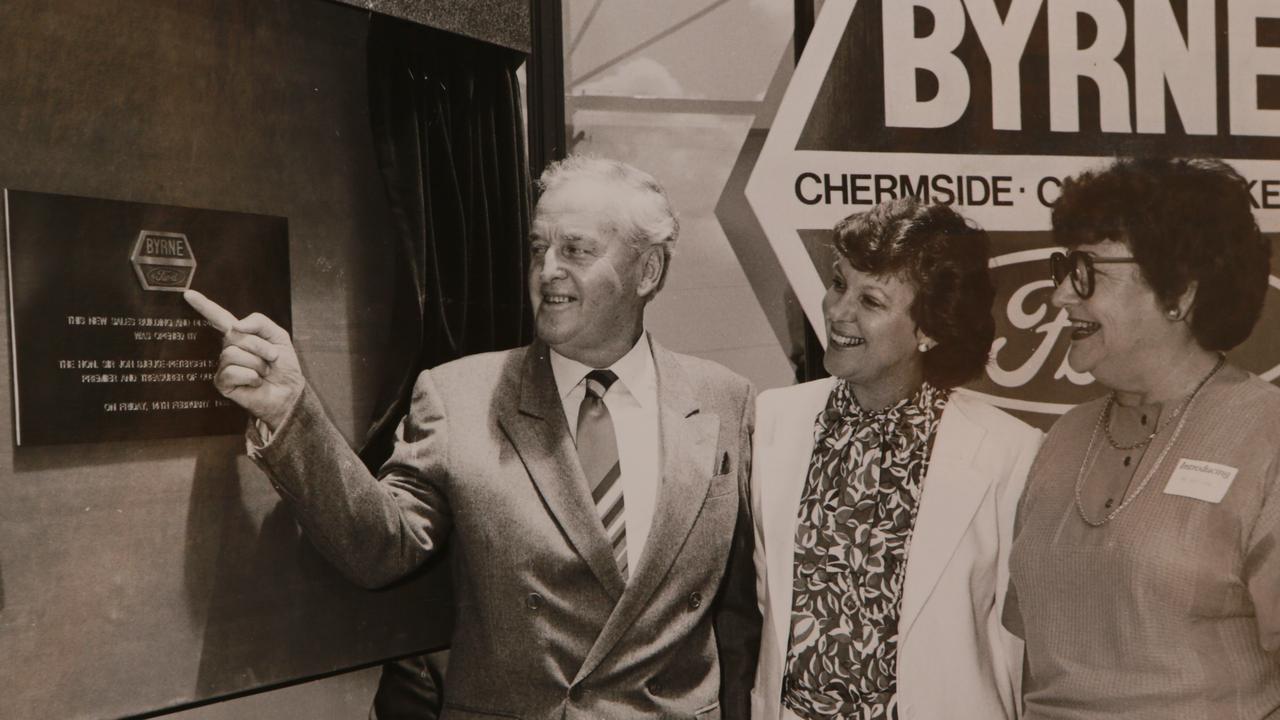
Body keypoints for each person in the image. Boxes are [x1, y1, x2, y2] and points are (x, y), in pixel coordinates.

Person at [186, 155, 760, 719]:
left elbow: (738, 617)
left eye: (577, 249)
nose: (548, 269)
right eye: (539, 248)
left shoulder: (723, 401)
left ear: (648, 271)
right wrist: (291, 411)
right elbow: (379, 549)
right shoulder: (460, 396)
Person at [1003, 157, 1280, 719]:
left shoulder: (1267, 435)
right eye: (1063, 269)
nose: (1059, 296)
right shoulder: (1064, 438)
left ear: (1179, 292)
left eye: (1087, 272)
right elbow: (1031, 645)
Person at [750, 198, 1041, 720]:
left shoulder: (1008, 452)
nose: (838, 312)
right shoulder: (771, 420)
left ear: (929, 327)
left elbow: (1020, 652)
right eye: (839, 284)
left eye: (872, 300)